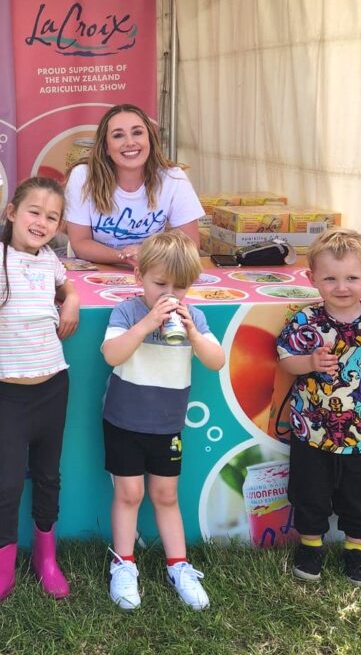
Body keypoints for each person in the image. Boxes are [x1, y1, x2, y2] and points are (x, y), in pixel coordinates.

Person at [0, 164, 80, 610]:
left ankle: (47, 561)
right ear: (11, 212)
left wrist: (74, 302)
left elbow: (68, 287)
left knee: (48, 477)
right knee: (6, 486)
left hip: (55, 387)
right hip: (13, 395)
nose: (41, 222)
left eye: (52, 217)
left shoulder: (50, 260)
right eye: (33, 211)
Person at [276, 228, 361, 589]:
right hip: (313, 430)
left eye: (352, 277)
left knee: (359, 494)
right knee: (309, 492)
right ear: (312, 280)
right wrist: (310, 363)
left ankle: (357, 548)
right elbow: (286, 360)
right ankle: (310, 546)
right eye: (330, 278)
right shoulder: (306, 321)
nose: (342, 287)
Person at [99, 230, 225, 611]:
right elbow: (111, 354)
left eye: (180, 287)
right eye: (159, 284)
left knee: (166, 495)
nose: (170, 293)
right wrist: (147, 323)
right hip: (123, 421)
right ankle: (123, 565)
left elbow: (216, 360)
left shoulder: (195, 317)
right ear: (139, 278)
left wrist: (191, 330)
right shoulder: (127, 311)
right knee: (129, 494)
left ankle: (179, 566)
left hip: (167, 426)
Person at [65, 104, 204, 269]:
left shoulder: (173, 177)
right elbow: (80, 243)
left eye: (137, 133)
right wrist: (126, 257)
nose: (130, 142)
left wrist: (148, 255)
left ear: (150, 139)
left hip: (153, 269)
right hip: (97, 270)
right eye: (118, 136)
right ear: (106, 147)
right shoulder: (82, 176)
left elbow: (191, 244)